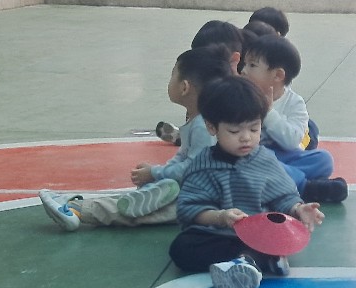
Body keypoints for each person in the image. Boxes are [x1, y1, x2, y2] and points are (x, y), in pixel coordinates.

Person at [39, 44, 234, 230]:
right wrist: (158, 172)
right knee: (149, 196)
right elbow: (183, 157)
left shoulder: (203, 125)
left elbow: (194, 169)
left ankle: (76, 210)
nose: (169, 80)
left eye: (173, 74)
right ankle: (78, 205)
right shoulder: (198, 120)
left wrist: (155, 173)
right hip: (195, 192)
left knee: (132, 211)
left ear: (184, 87)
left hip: (202, 202)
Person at [169, 77, 325, 288]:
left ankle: (251, 259)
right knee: (182, 248)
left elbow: (283, 196)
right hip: (221, 235)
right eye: (234, 132)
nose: (246, 138)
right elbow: (190, 209)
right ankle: (256, 259)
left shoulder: (264, 159)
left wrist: (298, 209)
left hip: (261, 233)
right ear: (212, 127)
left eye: (254, 128)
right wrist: (220, 217)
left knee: (281, 235)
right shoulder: (204, 165)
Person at [239, 34, 347, 204]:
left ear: (278, 75)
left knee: (324, 159)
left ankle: (287, 180)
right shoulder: (241, 96)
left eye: (252, 65)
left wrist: (268, 113)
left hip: (287, 156)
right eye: (245, 64)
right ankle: (305, 187)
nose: (243, 71)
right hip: (256, 157)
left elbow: (292, 142)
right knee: (261, 160)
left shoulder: (294, 102)